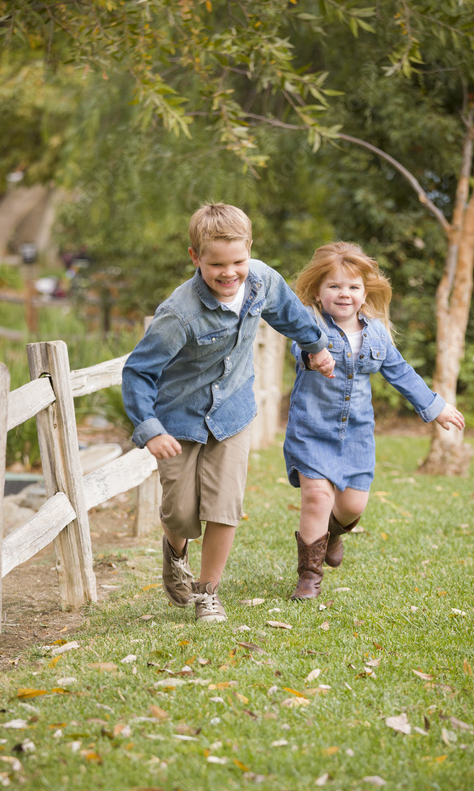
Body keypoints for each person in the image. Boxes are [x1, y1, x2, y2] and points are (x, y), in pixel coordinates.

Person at [122, 203, 335, 623]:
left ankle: (208, 593)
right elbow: (138, 372)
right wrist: (149, 429)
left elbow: (290, 315)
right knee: (181, 514)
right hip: (178, 419)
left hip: (233, 412)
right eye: (216, 264)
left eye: (238, 261)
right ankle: (176, 551)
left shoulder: (261, 282)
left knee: (224, 506)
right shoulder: (178, 313)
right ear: (195, 258)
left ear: (249, 251)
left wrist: (316, 347)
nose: (229, 273)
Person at [283, 241, 465, 600]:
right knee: (317, 496)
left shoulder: (377, 334)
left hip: (357, 433)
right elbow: (298, 350)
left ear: (365, 293)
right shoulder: (310, 325)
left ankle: (332, 535)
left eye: (353, 287)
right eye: (334, 286)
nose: (344, 294)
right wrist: (314, 357)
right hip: (312, 429)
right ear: (318, 293)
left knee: (352, 507)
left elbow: (401, 373)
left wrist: (436, 407)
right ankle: (309, 576)